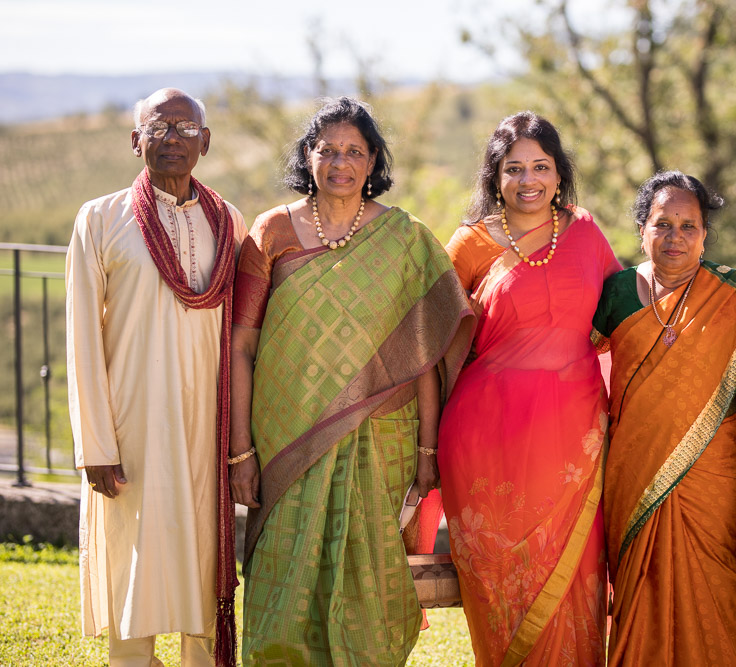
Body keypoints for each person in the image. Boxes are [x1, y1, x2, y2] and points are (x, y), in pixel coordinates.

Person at [229, 97, 474, 665]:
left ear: (373, 163)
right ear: (308, 156)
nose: (340, 162)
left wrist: (427, 450)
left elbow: (425, 359)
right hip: (285, 437)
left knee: (370, 578)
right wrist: (241, 450)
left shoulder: (406, 239)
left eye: (354, 152)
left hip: (381, 439)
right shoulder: (271, 232)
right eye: (327, 149)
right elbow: (241, 344)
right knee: (281, 577)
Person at [66, 87, 246, 666]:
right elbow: (82, 340)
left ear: (206, 142)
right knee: (133, 557)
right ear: (135, 140)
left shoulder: (229, 222)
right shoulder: (100, 219)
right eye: (160, 127)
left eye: (186, 129)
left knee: (202, 553)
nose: (173, 139)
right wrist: (95, 443)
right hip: (132, 424)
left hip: (206, 425)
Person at [437, 111, 621, 665]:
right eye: (513, 168)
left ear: (559, 174)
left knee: (574, 577)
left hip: (574, 435)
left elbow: (622, 318)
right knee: (501, 582)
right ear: (495, 178)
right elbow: (438, 340)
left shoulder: (585, 232)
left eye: (540, 166)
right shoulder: (470, 244)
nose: (528, 180)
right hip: (487, 437)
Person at [593, 171, 736, 666]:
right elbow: (576, 368)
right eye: (663, 224)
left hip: (715, 477)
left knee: (712, 592)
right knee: (639, 592)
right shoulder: (616, 293)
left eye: (689, 226)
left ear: (705, 234)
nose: (675, 237)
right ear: (642, 229)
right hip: (634, 469)